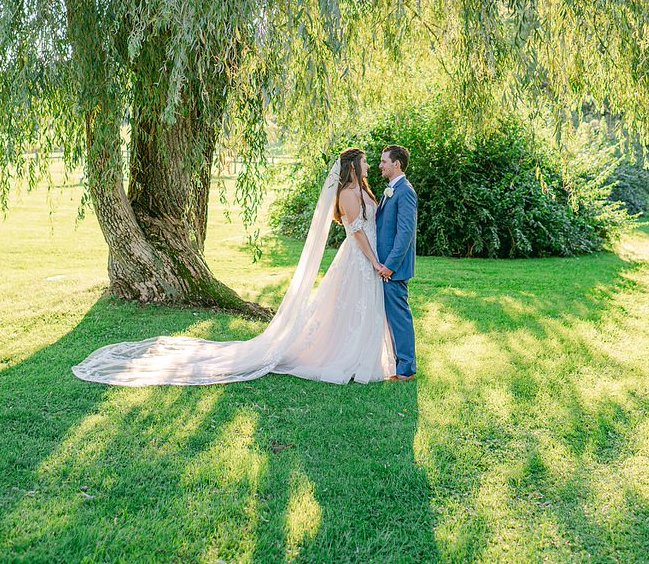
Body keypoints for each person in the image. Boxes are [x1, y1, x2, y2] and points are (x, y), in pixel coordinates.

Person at [71, 147, 407, 386]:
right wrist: (374, 260)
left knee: (356, 311)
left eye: (372, 162)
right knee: (347, 310)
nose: (369, 166)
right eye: (365, 162)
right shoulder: (348, 193)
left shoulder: (364, 189)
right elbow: (357, 231)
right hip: (359, 258)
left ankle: (367, 358)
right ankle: (344, 358)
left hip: (368, 261)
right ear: (352, 167)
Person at [376, 144, 418, 380]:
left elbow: (405, 234)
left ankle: (406, 369)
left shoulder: (405, 191)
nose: (380, 165)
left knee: (399, 317)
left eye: (384, 161)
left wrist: (390, 265)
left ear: (396, 164)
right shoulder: (392, 189)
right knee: (393, 316)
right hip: (385, 266)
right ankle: (397, 364)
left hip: (394, 269)